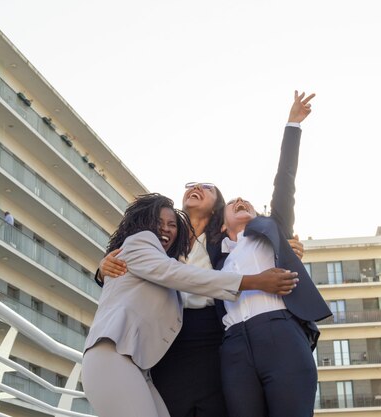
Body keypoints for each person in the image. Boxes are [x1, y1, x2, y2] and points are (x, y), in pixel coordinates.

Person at [82, 193, 298, 417]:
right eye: (159, 223)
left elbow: (176, 275)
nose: (166, 229)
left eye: (171, 225)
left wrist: (282, 247)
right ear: (142, 224)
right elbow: (178, 274)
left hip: (144, 365)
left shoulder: (211, 245)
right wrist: (253, 281)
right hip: (115, 353)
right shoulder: (140, 242)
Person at [217, 90, 332, 417]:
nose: (240, 201)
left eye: (246, 203)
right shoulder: (216, 257)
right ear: (222, 226)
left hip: (281, 333)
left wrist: (292, 124)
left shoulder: (273, 230)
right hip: (234, 346)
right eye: (232, 203)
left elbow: (285, 180)